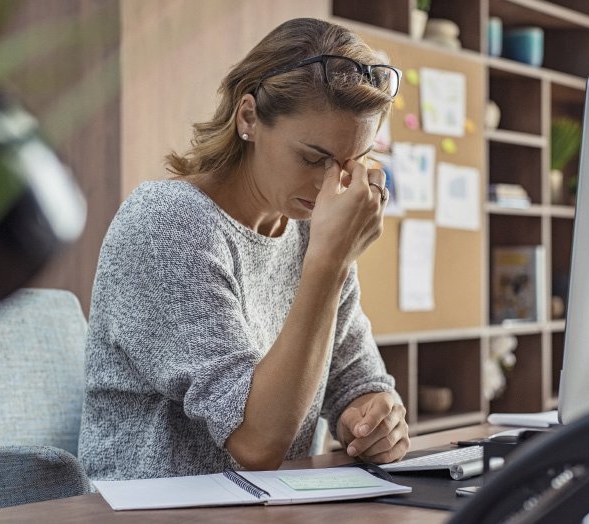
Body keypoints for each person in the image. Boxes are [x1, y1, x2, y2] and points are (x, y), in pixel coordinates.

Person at [78, 17, 409, 480]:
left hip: (271, 507)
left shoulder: (312, 232)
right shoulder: (167, 224)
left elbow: (355, 378)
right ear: (248, 117)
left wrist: (375, 416)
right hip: (154, 512)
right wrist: (330, 262)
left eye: (350, 162)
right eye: (313, 159)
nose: (331, 184)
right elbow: (256, 441)